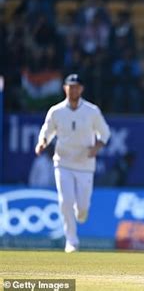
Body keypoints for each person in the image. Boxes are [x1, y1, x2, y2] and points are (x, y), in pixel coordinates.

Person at [34, 74, 111, 253]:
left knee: (82, 210)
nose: (73, 90)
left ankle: (80, 213)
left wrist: (96, 147)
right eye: (70, 86)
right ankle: (71, 241)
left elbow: (105, 134)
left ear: (81, 89)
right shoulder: (56, 111)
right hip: (63, 162)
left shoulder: (92, 111)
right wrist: (41, 143)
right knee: (65, 201)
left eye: (76, 87)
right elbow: (47, 131)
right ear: (65, 88)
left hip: (85, 164)